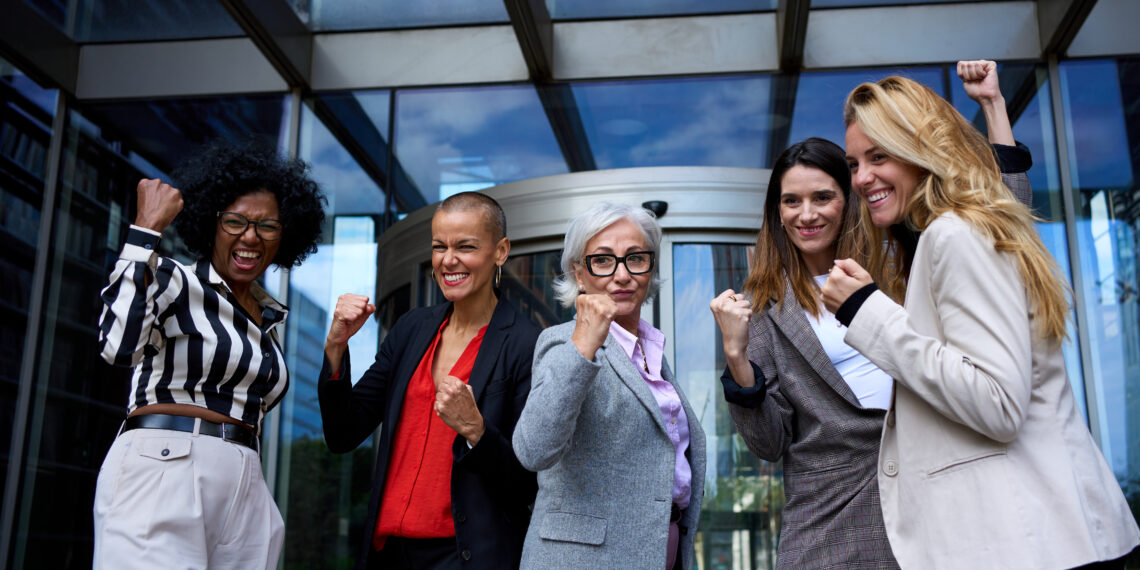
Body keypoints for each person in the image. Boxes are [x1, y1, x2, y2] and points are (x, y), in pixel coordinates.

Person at [708, 60, 1033, 569]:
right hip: (829, 520)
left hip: (931, 488)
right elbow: (769, 442)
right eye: (790, 201)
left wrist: (993, 106)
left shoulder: (902, 261)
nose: (806, 213)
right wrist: (735, 354)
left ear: (850, 198)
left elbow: (1001, 226)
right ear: (777, 212)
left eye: (822, 197)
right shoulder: (766, 306)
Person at [821, 74, 1140, 569]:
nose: (862, 178)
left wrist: (866, 311)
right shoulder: (958, 229)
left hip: (1033, 545)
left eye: (879, 156)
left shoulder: (956, 233)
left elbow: (997, 402)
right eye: (855, 164)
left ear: (920, 148)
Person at [94, 142, 326, 569]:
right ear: (211, 223)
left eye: (267, 226)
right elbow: (117, 345)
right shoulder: (174, 279)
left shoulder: (268, 321)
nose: (250, 236)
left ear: (285, 235)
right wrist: (146, 230)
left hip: (246, 477)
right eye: (235, 222)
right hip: (166, 463)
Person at [318, 191, 539, 569]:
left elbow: (526, 482)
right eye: (439, 246)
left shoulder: (526, 343)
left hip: (464, 556)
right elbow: (343, 433)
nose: (448, 260)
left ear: (500, 251)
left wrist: (476, 431)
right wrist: (336, 346)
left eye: (466, 246)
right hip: (389, 553)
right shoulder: (412, 329)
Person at [513, 202, 706, 570]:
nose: (622, 275)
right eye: (603, 260)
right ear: (579, 273)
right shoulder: (562, 343)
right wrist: (583, 347)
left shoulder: (652, 352)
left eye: (635, 258)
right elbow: (533, 450)